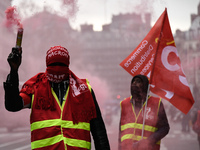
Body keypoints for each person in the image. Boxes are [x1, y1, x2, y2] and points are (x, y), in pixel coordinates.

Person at [4, 46, 110, 150]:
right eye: (53, 64)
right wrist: (13, 71)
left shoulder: (84, 90)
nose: (57, 69)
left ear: (67, 65)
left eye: (61, 64)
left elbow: (98, 131)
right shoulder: (35, 88)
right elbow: (13, 105)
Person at [118, 74, 170, 150]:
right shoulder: (124, 104)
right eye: (133, 82)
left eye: (138, 81)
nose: (134, 84)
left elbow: (165, 128)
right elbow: (121, 132)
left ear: (145, 86)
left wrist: (148, 141)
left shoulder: (156, 103)